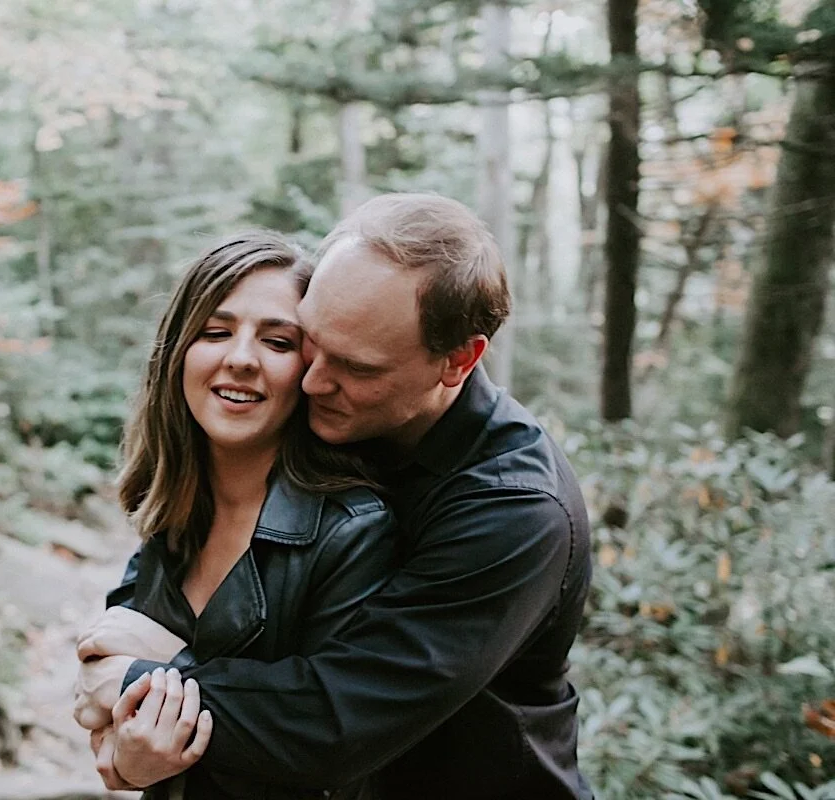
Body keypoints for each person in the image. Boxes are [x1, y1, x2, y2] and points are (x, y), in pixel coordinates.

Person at [74, 193, 594, 799]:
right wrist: (131, 741)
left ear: (457, 361)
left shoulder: (516, 510)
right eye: (312, 343)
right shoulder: (324, 417)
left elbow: (334, 720)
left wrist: (159, 676)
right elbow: (135, 612)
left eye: (356, 366)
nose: (314, 380)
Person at [80, 231, 398, 798]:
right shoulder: (172, 514)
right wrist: (130, 762)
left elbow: (331, 749)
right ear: (178, 351)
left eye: (277, 342)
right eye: (216, 332)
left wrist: (164, 666)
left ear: (310, 368)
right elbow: (99, 704)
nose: (241, 359)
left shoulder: (354, 531)